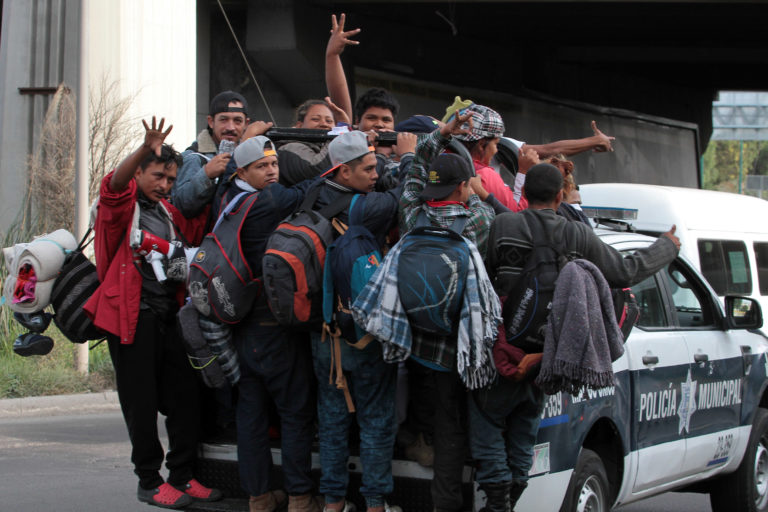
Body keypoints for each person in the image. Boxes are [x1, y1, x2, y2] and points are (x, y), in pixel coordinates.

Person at [473, 163, 680, 511]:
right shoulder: (577, 235)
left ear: (523, 193)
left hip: (502, 349)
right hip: (549, 356)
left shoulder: (502, 226)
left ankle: (498, 502)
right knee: (525, 433)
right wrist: (667, 246)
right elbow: (625, 270)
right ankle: (510, 497)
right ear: (559, 196)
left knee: (489, 424)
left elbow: (482, 276)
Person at [83, 118, 220, 509]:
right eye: (157, 175)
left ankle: (182, 475)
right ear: (139, 172)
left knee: (184, 397)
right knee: (140, 403)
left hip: (168, 315)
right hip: (132, 317)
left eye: (170, 179)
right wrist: (145, 148)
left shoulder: (168, 212)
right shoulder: (119, 211)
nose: (164, 185)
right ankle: (148, 479)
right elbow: (113, 186)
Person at [398, 110, 497, 512]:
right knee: (454, 427)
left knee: (429, 411)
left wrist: (439, 133)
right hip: (458, 345)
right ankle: (449, 503)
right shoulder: (478, 219)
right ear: (462, 189)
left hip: (416, 337)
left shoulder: (411, 216)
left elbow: (417, 166)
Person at [223, 135, 322, 512]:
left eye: (274, 165)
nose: (271, 172)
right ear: (243, 171)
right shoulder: (269, 200)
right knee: (294, 411)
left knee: (250, 415)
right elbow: (318, 182)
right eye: (261, 167)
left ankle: (259, 498)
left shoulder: (229, 200)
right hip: (273, 324)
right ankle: (299, 496)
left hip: (240, 323)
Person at [309, 130, 404, 512]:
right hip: (362, 338)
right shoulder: (363, 207)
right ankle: (375, 504)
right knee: (376, 421)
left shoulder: (309, 193)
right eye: (367, 168)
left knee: (331, 422)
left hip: (323, 335)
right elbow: (402, 196)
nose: (376, 174)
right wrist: (409, 159)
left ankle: (332, 503)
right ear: (344, 172)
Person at [172, 91, 273, 217]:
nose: (230, 127)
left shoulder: (255, 154)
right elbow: (179, 207)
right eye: (224, 120)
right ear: (211, 122)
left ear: (246, 124)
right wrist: (206, 174)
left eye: (237, 121)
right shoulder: (193, 158)